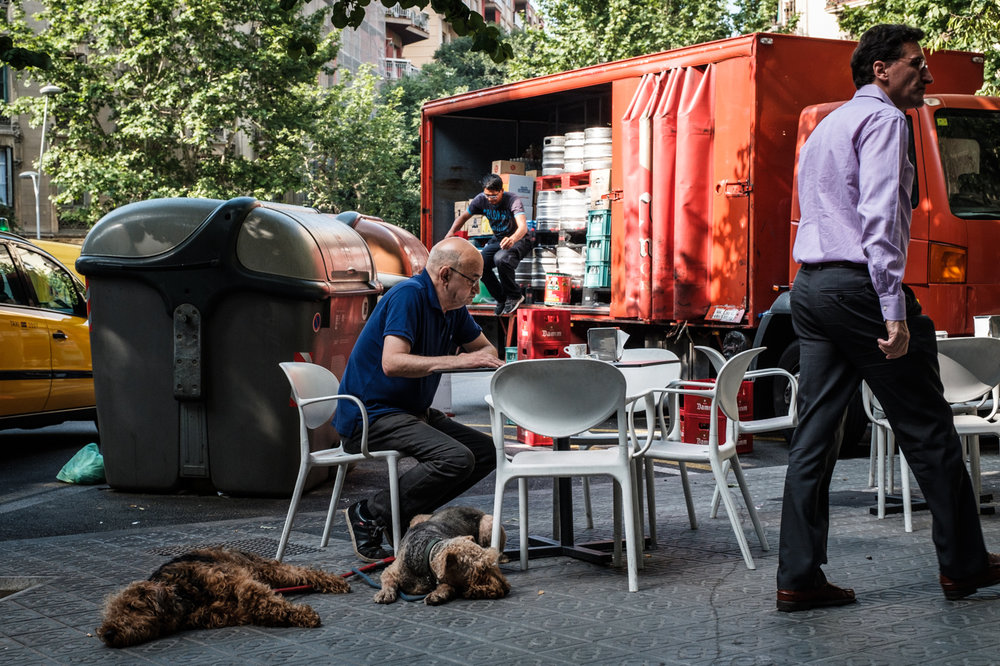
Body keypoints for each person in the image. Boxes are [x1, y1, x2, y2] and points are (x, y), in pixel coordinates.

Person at [776, 24, 1000, 612]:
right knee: (928, 428)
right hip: (860, 290)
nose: (926, 74)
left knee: (813, 439)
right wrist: (893, 310)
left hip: (812, 288)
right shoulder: (886, 121)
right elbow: (880, 220)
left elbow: (815, 214)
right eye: (916, 63)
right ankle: (964, 566)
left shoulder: (827, 128)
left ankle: (798, 579)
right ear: (881, 69)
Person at [334, 237, 504, 562]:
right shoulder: (408, 296)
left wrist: (470, 357)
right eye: (472, 280)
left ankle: (401, 516)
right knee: (456, 458)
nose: (477, 289)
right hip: (371, 415)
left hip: (411, 412)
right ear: (445, 275)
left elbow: (486, 350)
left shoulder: (453, 309)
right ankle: (370, 512)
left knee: (487, 452)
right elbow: (392, 362)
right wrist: (456, 360)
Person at [446, 173, 532, 316]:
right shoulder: (480, 200)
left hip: (519, 239)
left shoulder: (513, 200)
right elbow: (463, 217)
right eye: (487, 195)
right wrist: (450, 233)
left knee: (501, 259)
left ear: (501, 191)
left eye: (494, 196)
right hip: (498, 239)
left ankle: (515, 295)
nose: (490, 200)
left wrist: (513, 238)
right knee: (480, 264)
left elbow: (523, 227)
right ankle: (502, 299)